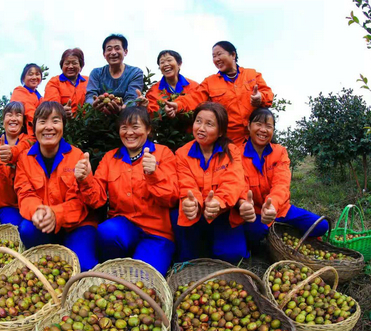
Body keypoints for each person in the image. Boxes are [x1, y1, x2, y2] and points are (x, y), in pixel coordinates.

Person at [75, 106, 178, 275]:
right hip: (124, 226)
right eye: (124, 127)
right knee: (107, 232)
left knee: (143, 279)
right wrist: (85, 179)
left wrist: (154, 175)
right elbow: (97, 199)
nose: (129, 132)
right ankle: (114, 268)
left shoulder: (163, 154)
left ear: (148, 129)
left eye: (135, 127)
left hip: (156, 233)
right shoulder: (110, 158)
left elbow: (172, 198)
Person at [14, 101, 98, 271]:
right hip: (44, 226)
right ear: (34, 127)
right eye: (43, 121)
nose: (49, 127)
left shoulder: (77, 156)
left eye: (55, 121)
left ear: (63, 126)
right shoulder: (25, 158)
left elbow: (81, 202)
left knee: (85, 268)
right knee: (27, 229)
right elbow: (25, 194)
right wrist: (38, 211)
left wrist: (56, 214)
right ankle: (50, 254)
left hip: (77, 226)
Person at [172, 102, 252, 263]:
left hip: (223, 213)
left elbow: (234, 182)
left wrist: (218, 202)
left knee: (232, 255)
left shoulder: (231, 151)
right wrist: (193, 203)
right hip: (196, 213)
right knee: (188, 255)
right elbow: (186, 184)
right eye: (198, 121)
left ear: (220, 131)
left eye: (209, 124)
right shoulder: (182, 154)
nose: (201, 128)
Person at [238, 107, 329, 247]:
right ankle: (269, 237)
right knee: (256, 232)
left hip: (280, 209)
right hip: (255, 212)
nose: (263, 130)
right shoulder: (238, 154)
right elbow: (238, 185)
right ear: (249, 126)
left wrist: (273, 205)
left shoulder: (279, 152)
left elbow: (281, 184)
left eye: (268, 126)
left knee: (321, 226)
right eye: (258, 124)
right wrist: (244, 203)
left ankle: (283, 231)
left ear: (273, 130)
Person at [165, 41, 274, 145]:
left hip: (258, 136)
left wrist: (261, 97)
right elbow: (195, 97)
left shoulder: (252, 74)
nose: (216, 59)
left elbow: (268, 94)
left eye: (219, 54)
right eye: (213, 56)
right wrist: (177, 105)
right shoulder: (210, 82)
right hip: (231, 140)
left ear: (233, 54)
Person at [85, 34, 144, 114]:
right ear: (104, 54)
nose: (113, 52)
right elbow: (90, 96)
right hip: (100, 119)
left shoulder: (135, 73)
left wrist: (122, 108)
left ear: (125, 51)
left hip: (125, 119)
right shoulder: (96, 73)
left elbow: (132, 98)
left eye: (117, 48)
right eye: (109, 49)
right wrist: (94, 104)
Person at [145, 50, 199, 116]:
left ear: (179, 64)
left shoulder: (194, 86)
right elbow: (151, 115)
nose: (166, 64)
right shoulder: (152, 91)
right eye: (162, 62)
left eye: (169, 60)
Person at [43, 48, 88, 118]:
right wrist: (61, 111)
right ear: (62, 66)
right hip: (63, 125)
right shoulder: (54, 82)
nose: (70, 66)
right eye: (67, 63)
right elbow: (51, 106)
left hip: (87, 126)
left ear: (80, 66)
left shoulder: (88, 81)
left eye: (74, 63)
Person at [10, 63, 43, 137]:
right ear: (23, 78)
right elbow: (29, 110)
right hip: (22, 134)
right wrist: (42, 125)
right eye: (30, 74)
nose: (34, 77)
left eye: (37, 74)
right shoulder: (19, 91)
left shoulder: (39, 97)